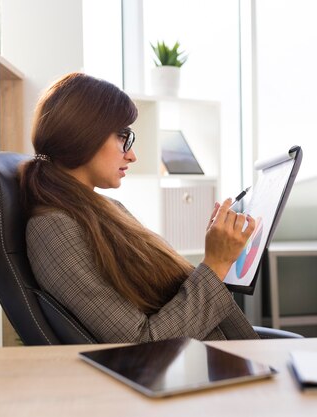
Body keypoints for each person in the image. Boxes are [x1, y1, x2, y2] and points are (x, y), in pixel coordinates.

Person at [19, 72, 259, 343]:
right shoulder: (53, 228)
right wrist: (215, 263)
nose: (132, 155)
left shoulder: (105, 208)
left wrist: (220, 252)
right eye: (123, 137)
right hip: (197, 371)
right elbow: (142, 343)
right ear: (84, 134)